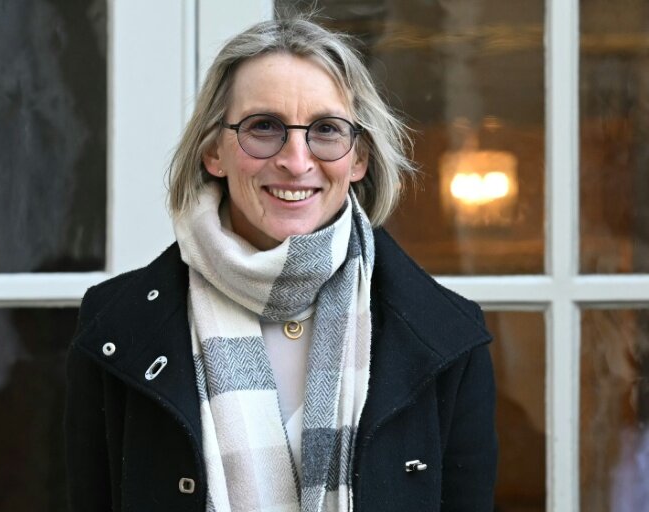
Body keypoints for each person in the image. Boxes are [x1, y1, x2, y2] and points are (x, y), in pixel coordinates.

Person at [65, 17, 497, 512]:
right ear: (213, 153)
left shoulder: (449, 339)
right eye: (264, 127)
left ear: (358, 160)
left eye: (327, 130)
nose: (296, 160)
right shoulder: (116, 326)